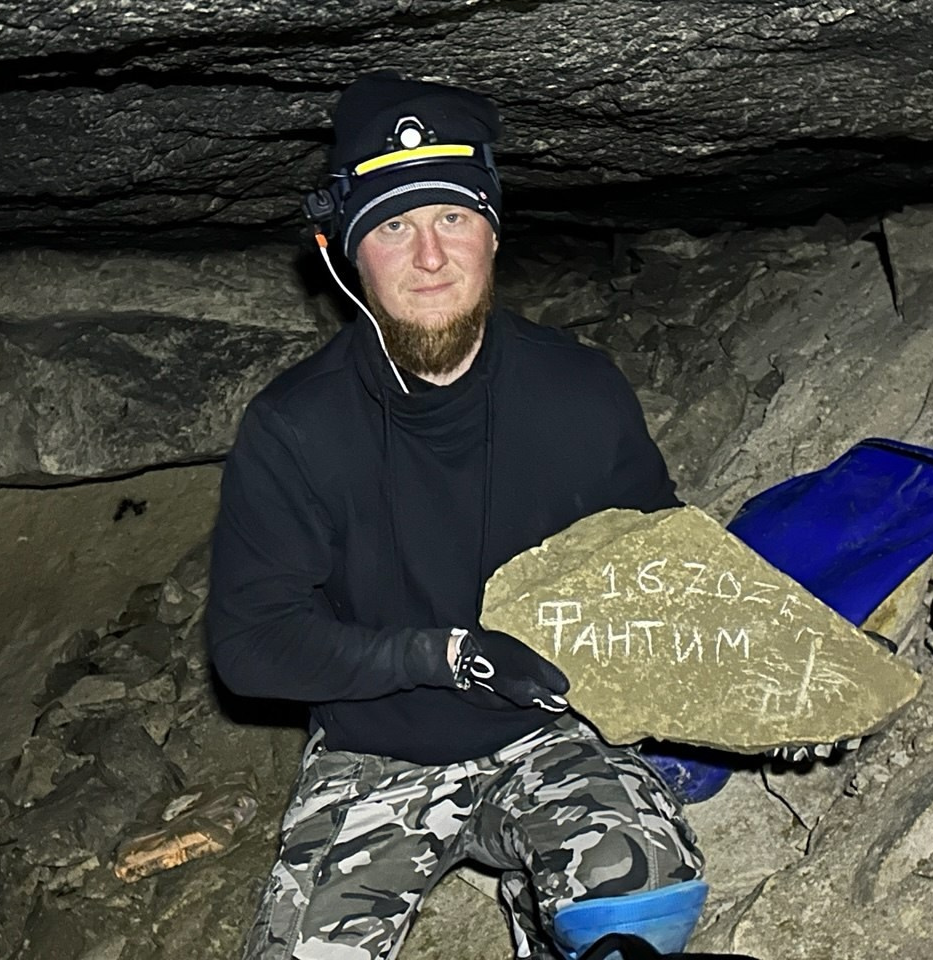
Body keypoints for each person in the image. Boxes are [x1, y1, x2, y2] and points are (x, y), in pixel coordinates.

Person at [206, 70, 706, 960]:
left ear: (492, 234)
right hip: (375, 754)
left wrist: (760, 690)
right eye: (394, 225)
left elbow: (658, 568)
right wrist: (444, 655)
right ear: (345, 254)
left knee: (642, 907)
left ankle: (546, 912)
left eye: (452, 219)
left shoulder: (580, 393)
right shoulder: (295, 427)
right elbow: (251, 646)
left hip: (548, 736)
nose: (429, 256)